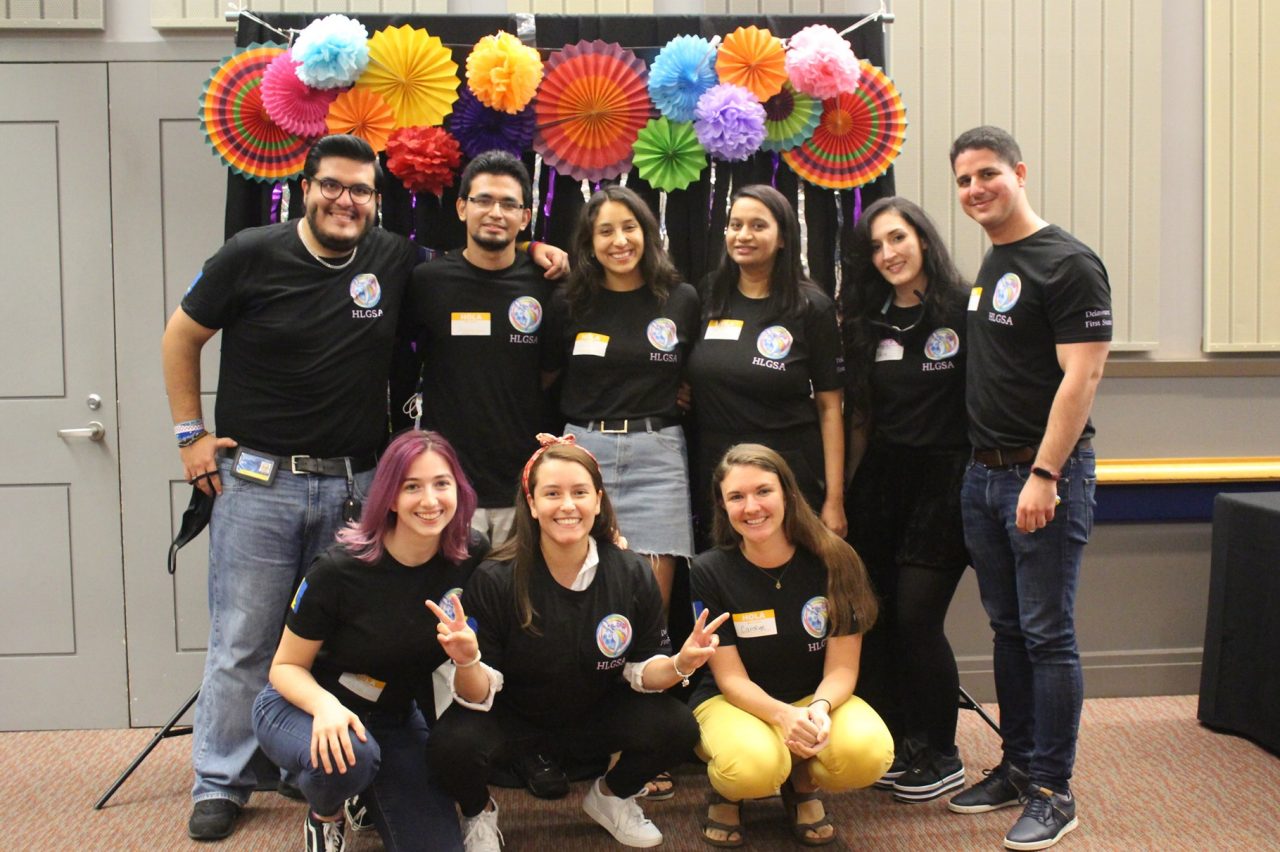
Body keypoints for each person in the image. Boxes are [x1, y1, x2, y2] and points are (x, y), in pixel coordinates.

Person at [161, 134, 565, 842]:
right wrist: (190, 435)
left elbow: (482, 256)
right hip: (260, 480)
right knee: (245, 638)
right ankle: (221, 779)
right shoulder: (250, 253)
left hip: (355, 481)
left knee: (341, 638)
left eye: (361, 191)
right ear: (304, 187)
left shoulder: (391, 257)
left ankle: (318, 765)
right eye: (333, 186)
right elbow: (180, 337)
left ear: (377, 202)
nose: (346, 201)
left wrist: (539, 252)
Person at [425, 435, 729, 850]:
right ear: (531, 504)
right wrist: (467, 662)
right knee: (448, 746)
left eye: (579, 492)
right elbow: (477, 694)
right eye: (552, 493)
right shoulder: (496, 578)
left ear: (598, 500)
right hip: (513, 718)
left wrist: (681, 664)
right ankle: (479, 813)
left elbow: (644, 672)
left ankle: (610, 798)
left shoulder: (631, 573)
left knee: (676, 727)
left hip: (594, 713)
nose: (567, 506)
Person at [947, 126, 1111, 851]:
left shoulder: (1067, 262)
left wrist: (1044, 474)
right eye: (963, 181)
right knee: (1008, 631)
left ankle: (1053, 788)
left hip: (1041, 477)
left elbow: (1084, 376)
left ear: (1019, 172)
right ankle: (1017, 767)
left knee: (1048, 634)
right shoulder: (996, 260)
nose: (975, 190)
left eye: (987, 175)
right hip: (983, 477)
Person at [251, 430, 485, 852]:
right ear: (390, 497)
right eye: (412, 486)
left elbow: (529, 565)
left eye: (441, 484)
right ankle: (327, 812)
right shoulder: (338, 571)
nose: (430, 501)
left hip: (390, 717)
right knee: (351, 759)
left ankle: (367, 793)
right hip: (303, 706)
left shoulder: (469, 555)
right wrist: (326, 707)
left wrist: (606, 540)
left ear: (458, 489)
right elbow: (284, 668)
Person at [690, 444, 893, 847]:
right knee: (750, 770)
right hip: (733, 701)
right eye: (736, 497)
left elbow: (842, 669)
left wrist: (816, 710)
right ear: (723, 506)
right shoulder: (708, 570)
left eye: (763, 491)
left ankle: (800, 782)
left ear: (787, 492)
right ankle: (729, 791)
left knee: (867, 754)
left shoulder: (836, 560)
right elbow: (730, 679)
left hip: (814, 697)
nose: (752, 507)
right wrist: (783, 716)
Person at [840, 197, 971, 803]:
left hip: (945, 482)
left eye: (897, 238)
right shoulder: (868, 322)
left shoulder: (963, 310)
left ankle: (942, 751)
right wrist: (843, 495)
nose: (888, 254)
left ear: (923, 238)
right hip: (880, 485)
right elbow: (861, 418)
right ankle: (900, 741)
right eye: (876, 246)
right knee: (883, 620)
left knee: (920, 618)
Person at [405, 150, 565, 548]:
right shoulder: (427, 281)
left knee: (519, 608)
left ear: (525, 218)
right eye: (484, 200)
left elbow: (551, 373)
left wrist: (534, 249)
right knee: (451, 606)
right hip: (449, 491)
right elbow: (403, 365)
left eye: (509, 203)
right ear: (462, 208)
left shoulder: (547, 284)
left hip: (525, 489)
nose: (496, 212)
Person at [554, 185, 700, 617]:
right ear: (589, 244)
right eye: (605, 232)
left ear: (647, 232)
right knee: (578, 591)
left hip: (657, 457)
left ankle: (647, 682)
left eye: (629, 227)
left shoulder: (681, 298)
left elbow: (697, 369)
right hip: (582, 454)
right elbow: (546, 376)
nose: (619, 241)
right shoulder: (569, 301)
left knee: (651, 605)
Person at [686, 185, 846, 543]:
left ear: (783, 238)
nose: (743, 235)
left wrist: (835, 499)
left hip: (786, 471)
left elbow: (830, 407)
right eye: (735, 224)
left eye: (758, 226)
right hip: (718, 469)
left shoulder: (811, 307)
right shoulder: (710, 295)